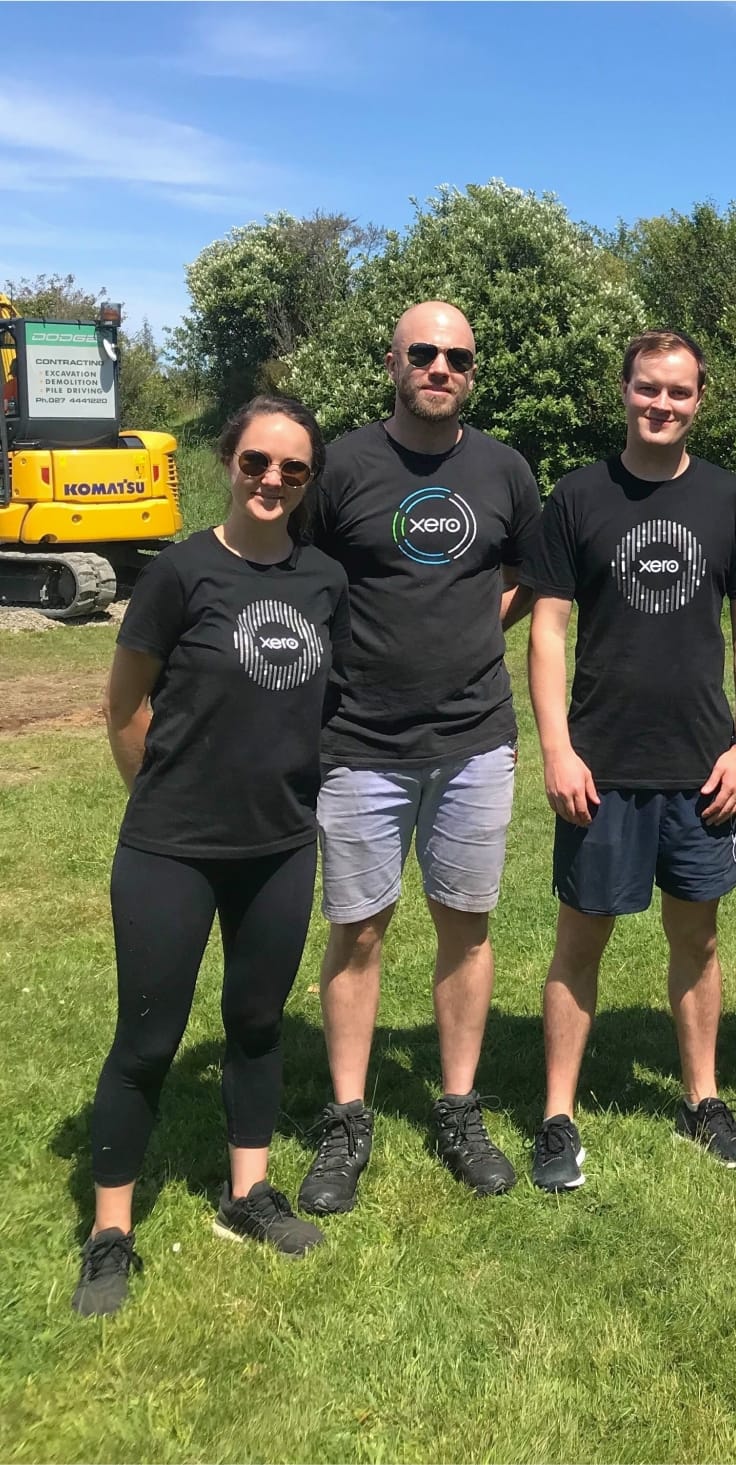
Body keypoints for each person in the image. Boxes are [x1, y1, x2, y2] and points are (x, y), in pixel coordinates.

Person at [73, 396, 349, 1316]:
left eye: (293, 470)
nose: (272, 480)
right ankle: (111, 1232)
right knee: (149, 1038)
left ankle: (248, 1193)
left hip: (278, 846)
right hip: (172, 848)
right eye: (257, 462)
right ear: (228, 462)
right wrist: (156, 803)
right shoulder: (181, 573)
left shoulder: (323, 581)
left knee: (259, 1021)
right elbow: (123, 707)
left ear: (308, 481)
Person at [298, 301, 542, 1215]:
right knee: (358, 930)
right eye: (425, 353)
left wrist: (478, 631)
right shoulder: (344, 467)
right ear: (394, 361)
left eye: (458, 357)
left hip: (475, 740)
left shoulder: (504, 469)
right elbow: (305, 573)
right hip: (360, 739)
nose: (441, 367)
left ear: (472, 371)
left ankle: (458, 1106)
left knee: (465, 925)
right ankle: (349, 1116)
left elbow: (522, 571)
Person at [519, 328, 736, 1190]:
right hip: (600, 764)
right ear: (622, 391)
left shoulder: (731, 501)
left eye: (679, 392)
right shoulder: (578, 498)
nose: (662, 404)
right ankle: (557, 1115)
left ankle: (702, 1099)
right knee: (579, 939)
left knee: (696, 939)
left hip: (702, 767)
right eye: (648, 388)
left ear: (700, 399)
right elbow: (547, 628)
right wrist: (556, 747)